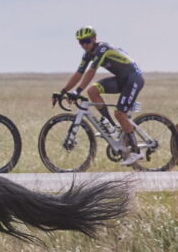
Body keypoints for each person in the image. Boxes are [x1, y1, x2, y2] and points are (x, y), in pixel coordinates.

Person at [58, 26, 145, 165]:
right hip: (122, 79)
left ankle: (135, 151)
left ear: (94, 39)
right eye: (80, 42)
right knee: (92, 91)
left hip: (133, 78)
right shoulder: (87, 54)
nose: (84, 45)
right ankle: (112, 126)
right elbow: (79, 73)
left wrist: (77, 92)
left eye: (86, 41)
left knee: (120, 113)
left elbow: (91, 71)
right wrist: (63, 91)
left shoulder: (102, 49)